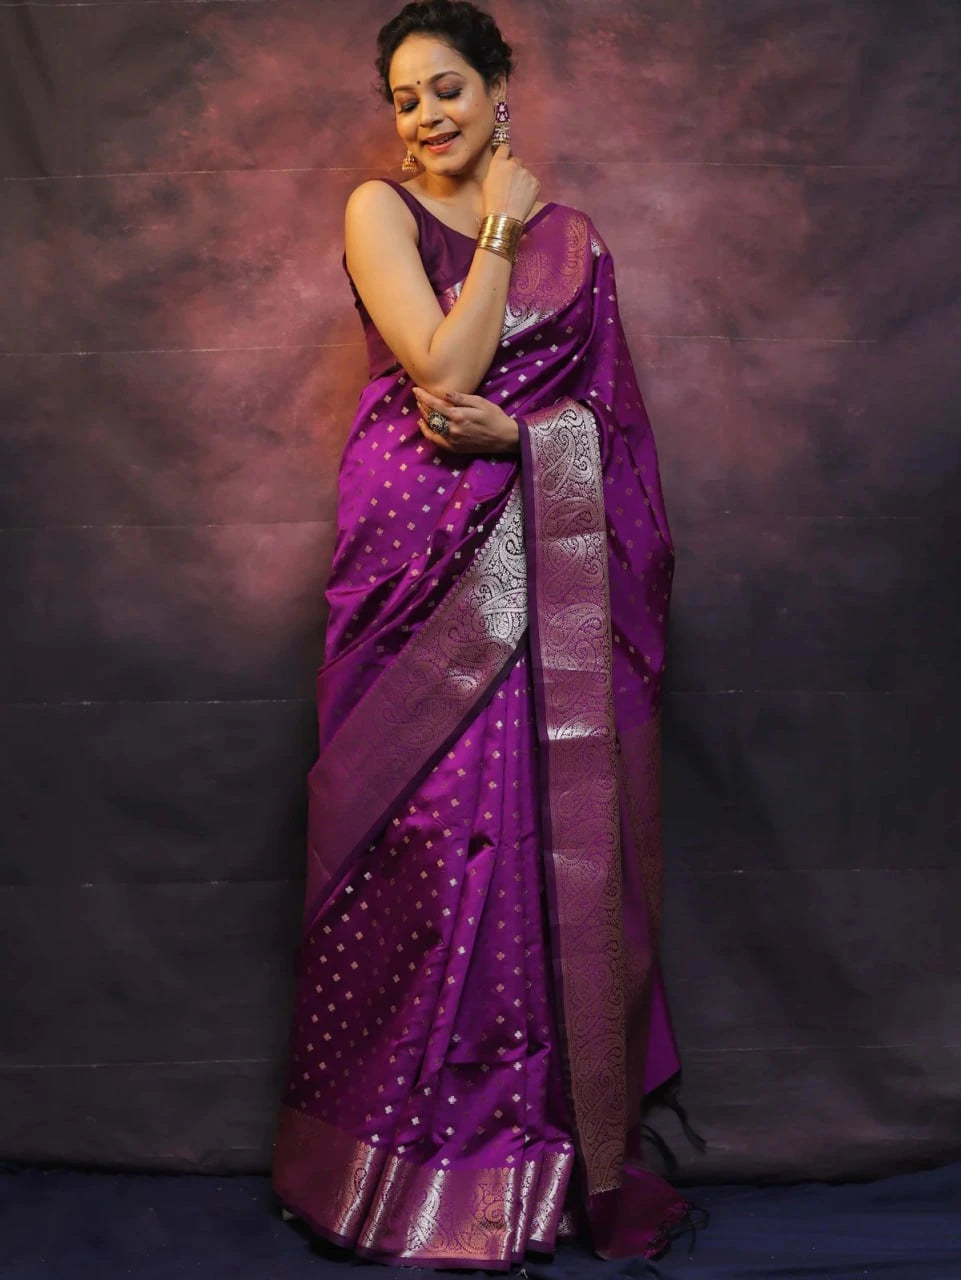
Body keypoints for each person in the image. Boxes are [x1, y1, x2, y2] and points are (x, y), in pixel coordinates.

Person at [272, 0, 696, 1268]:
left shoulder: (582, 243)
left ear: (498, 85)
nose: (424, 115)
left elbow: (611, 437)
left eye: (446, 87)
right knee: (413, 853)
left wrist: (526, 440)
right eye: (404, 97)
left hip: (541, 567)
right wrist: (500, 228)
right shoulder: (382, 211)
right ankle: (383, 1174)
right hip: (411, 575)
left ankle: (531, 1165)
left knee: (538, 855)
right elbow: (443, 370)